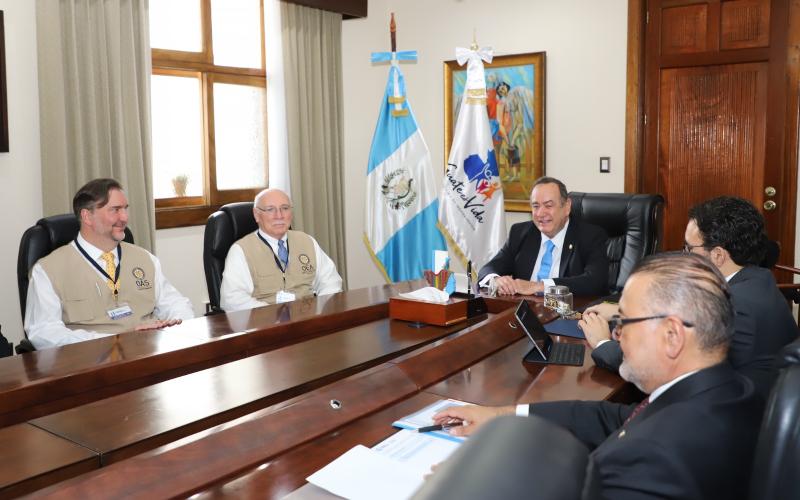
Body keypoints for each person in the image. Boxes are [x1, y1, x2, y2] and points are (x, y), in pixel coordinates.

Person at [435, 252, 764, 500]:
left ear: (672, 336)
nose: (616, 335)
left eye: (624, 323)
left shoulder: (660, 455)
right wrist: (501, 417)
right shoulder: (724, 390)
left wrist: (475, 481)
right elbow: (614, 418)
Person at [586, 196, 798, 397]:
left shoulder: (735, 306)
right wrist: (622, 311)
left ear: (717, 255)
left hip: (726, 424)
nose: (685, 255)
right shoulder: (759, 282)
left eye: (689, 247)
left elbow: (665, 367)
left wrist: (603, 343)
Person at [25, 178, 194, 349]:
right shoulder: (48, 270)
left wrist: (174, 326)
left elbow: (176, 304)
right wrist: (114, 340)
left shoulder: (145, 259)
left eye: (125, 209)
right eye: (115, 210)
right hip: (90, 364)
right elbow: (44, 333)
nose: (124, 217)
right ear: (87, 216)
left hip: (149, 355)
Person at [478, 176, 609, 296]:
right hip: (523, 312)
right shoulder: (520, 233)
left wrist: (539, 286)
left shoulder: (590, 236)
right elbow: (487, 269)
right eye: (536, 206)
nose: (541, 213)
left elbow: (594, 282)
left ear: (567, 207)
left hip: (567, 314)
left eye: (548, 205)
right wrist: (496, 280)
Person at [220, 188, 342, 312]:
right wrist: (275, 316)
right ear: (257, 215)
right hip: (265, 324)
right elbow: (232, 300)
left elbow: (331, 282)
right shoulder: (241, 251)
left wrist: (320, 311)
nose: (279, 216)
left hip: (308, 321)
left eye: (285, 208)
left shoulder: (307, 241)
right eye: (270, 209)